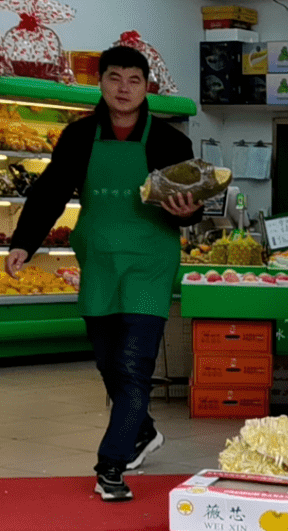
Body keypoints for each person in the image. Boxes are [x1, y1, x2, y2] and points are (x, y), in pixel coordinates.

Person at [5, 46, 203, 502]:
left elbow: (190, 208)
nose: (124, 88)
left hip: (150, 265)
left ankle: (110, 467)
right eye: (115, 78)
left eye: (134, 80)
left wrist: (188, 212)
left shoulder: (172, 143)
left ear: (146, 86)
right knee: (109, 364)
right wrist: (23, 242)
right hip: (98, 263)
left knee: (133, 368)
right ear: (102, 83)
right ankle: (143, 431)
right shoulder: (78, 137)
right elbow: (51, 190)